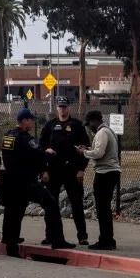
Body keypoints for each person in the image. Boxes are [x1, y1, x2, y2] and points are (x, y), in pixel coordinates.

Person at [0, 108, 76, 257]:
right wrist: (49, 154)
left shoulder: (8, 136)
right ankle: (57, 239)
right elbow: (38, 156)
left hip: (10, 181)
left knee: (13, 212)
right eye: (31, 120)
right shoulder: (25, 139)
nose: (32, 123)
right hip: (26, 181)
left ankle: (10, 244)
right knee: (51, 203)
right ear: (24, 121)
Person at [39, 96, 91, 245]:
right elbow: (40, 148)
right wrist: (44, 170)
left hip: (72, 171)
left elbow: (85, 148)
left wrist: (82, 169)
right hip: (53, 171)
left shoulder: (77, 125)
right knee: (50, 203)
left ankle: (82, 236)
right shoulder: (49, 126)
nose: (62, 110)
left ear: (69, 108)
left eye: (65, 107)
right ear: (57, 108)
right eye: (60, 107)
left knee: (76, 204)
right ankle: (50, 235)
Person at [78, 110, 121, 250]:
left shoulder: (102, 133)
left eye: (89, 124)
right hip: (111, 171)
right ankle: (109, 239)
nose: (89, 127)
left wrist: (83, 152)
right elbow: (100, 149)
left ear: (95, 121)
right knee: (105, 208)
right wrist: (89, 148)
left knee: (102, 208)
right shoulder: (109, 131)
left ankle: (105, 240)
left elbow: (98, 153)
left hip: (105, 172)